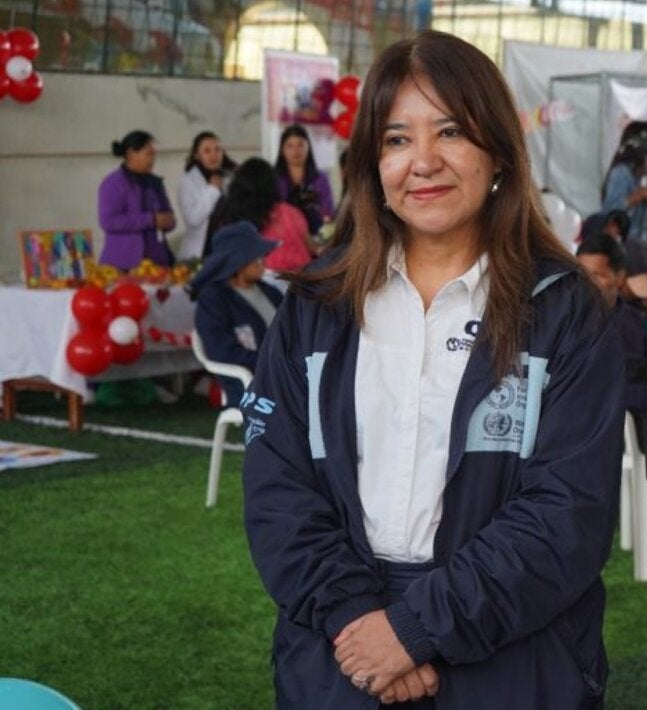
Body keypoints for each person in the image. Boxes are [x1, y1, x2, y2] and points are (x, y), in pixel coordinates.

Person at [241, 30, 624, 708]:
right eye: (395, 139)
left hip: (513, 654)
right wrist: (359, 621)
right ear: (371, 163)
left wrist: (417, 628)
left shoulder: (564, 311)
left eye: (450, 132)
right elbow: (279, 488)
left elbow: (569, 512)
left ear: (498, 152)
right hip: (342, 650)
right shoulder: (315, 305)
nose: (423, 161)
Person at [190, 221, 283, 407]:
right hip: (251, 384)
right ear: (237, 263)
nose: (263, 262)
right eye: (256, 258)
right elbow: (224, 352)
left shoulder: (271, 292)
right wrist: (277, 365)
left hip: (287, 375)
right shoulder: (214, 300)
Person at [577, 233, 647, 445]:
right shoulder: (566, 325)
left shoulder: (637, 322)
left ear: (619, 277)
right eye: (581, 273)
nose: (587, 282)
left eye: (597, 274)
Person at [206, 158, 314, 275]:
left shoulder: (230, 216)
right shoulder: (290, 213)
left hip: (251, 282)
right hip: (297, 282)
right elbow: (311, 248)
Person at [97, 130, 176, 270]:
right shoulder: (113, 183)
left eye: (154, 154)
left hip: (157, 264)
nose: (153, 158)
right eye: (149, 153)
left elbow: (169, 217)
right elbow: (108, 221)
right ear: (131, 154)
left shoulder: (155, 183)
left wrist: (168, 221)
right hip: (122, 265)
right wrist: (150, 220)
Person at [600, 120, 647, 274]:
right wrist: (635, 197)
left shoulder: (645, 173)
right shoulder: (621, 172)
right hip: (625, 248)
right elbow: (610, 211)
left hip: (643, 245)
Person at [176, 131, 236, 261]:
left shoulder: (229, 177)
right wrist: (212, 190)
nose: (214, 155)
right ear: (197, 155)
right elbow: (193, 219)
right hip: (201, 253)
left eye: (217, 150)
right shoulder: (188, 181)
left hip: (226, 250)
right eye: (207, 151)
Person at [274, 124, 336, 234]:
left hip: (316, 234)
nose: (296, 150)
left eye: (300, 145)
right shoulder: (273, 178)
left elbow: (328, 210)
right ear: (282, 150)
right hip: (282, 235)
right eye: (290, 146)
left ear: (308, 148)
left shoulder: (321, 178)